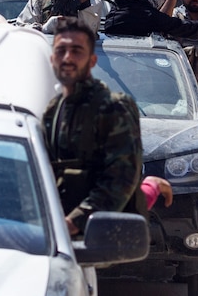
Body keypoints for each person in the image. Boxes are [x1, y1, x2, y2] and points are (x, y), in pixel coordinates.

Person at [42, 17, 146, 236]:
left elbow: (121, 179)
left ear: (92, 61)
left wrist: (74, 222)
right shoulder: (53, 110)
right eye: (61, 51)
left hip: (96, 238)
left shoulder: (113, 107)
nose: (67, 58)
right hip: (56, 236)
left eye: (77, 51)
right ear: (52, 59)